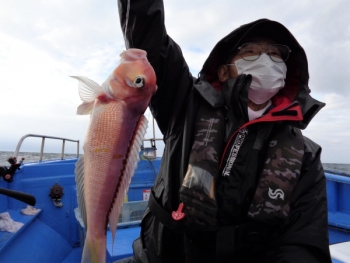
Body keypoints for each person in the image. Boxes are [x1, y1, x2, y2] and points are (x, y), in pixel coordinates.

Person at [117, 1, 332, 262]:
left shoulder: (306, 156)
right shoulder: (185, 103)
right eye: (250, 52)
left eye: (276, 55)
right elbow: (149, 44)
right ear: (223, 70)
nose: (266, 61)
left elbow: (302, 244)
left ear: (287, 72)